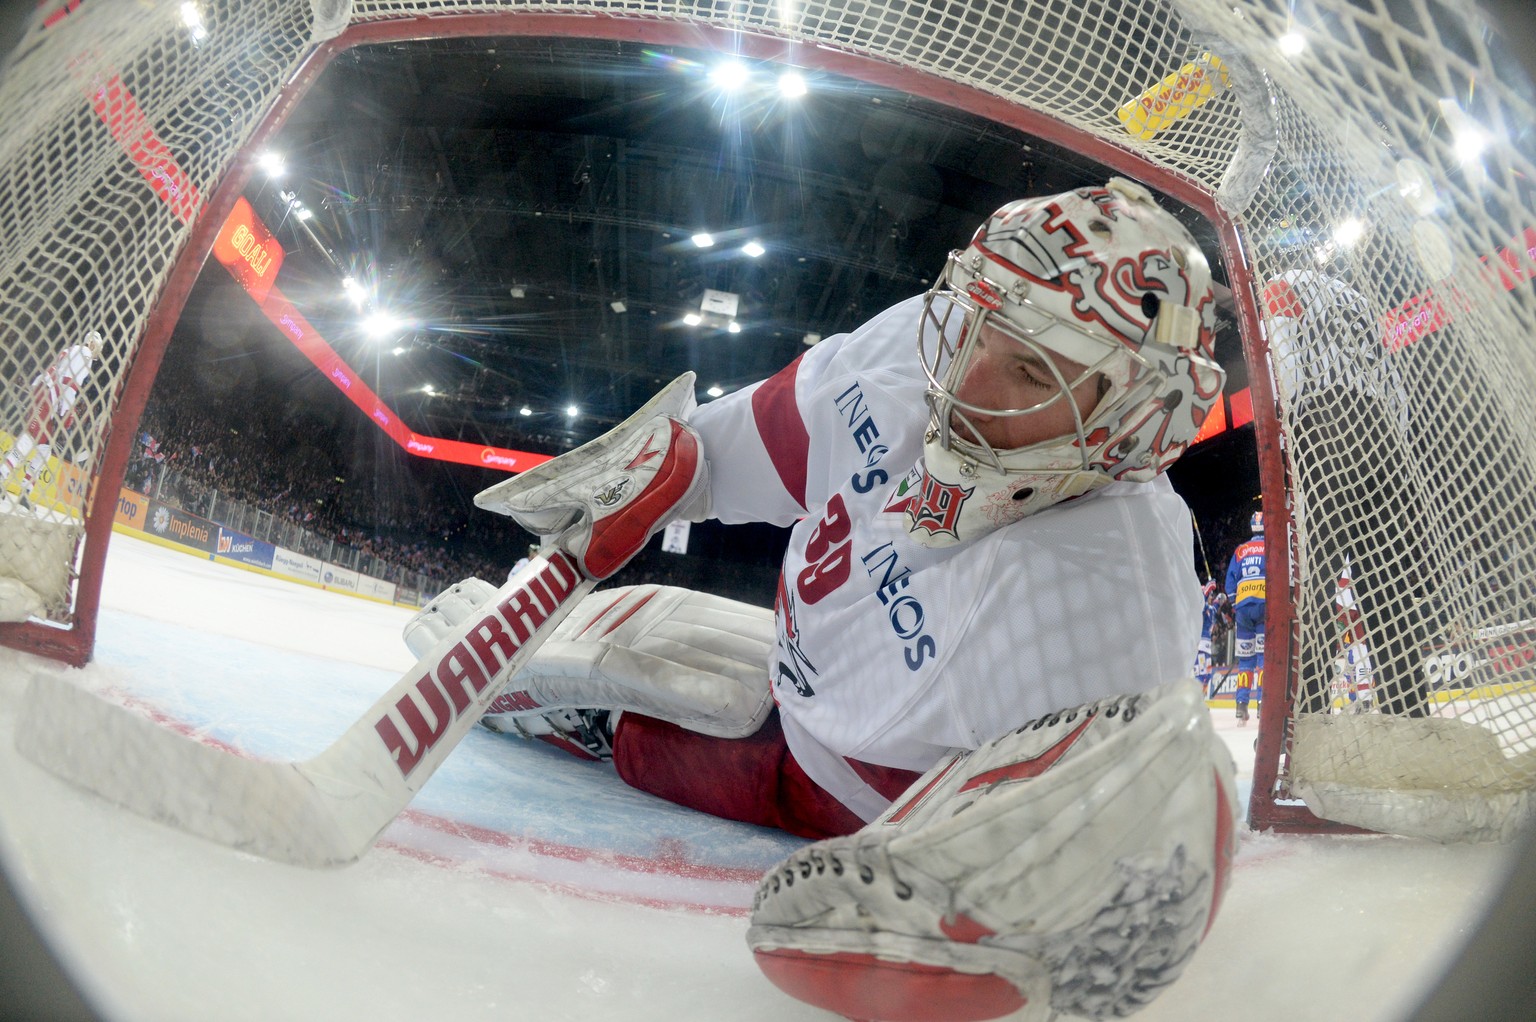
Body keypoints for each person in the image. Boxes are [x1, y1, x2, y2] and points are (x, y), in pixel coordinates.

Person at [408, 179, 1238, 1022]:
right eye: (980, 321)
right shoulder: (912, 352)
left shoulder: (1116, 591)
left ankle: (598, 726)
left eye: (1027, 366)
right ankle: (591, 710)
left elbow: (1114, 835)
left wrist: (970, 906)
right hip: (804, 674)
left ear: (1131, 416)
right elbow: (749, 450)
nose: (962, 379)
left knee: (660, 734)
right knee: (643, 659)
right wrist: (667, 469)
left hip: (859, 796)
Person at [1260, 269, 1429, 717]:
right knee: (1387, 584)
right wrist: (1397, 443)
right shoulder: (1359, 301)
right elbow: (1394, 378)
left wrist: (1293, 426)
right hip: (1385, 431)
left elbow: (1284, 353)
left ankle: (1306, 718)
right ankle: (1409, 712)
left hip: (1325, 416)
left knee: (1315, 581)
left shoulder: (1282, 281)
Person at [1, 330, 102, 511]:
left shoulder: (72, 349)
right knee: (28, 441)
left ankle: (26, 491)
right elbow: (68, 383)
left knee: (44, 451)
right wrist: (66, 413)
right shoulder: (85, 353)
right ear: (92, 344)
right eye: (97, 347)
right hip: (49, 397)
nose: (96, 352)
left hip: (48, 397)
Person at [1224, 511, 1266, 725]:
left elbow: (1230, 583)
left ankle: (1241, 707)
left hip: (1243, 609)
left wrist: (1235, 605)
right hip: (1264, 606)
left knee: (1245, 661)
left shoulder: (1240, 551)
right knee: (1263, 660)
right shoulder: (1270, 547)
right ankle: (1262, 705)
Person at [1196, 579, 1234, 698]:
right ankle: (1196, 699)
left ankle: (1201, 698)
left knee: (1207, 675)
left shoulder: (1211, 609)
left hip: (1207, 647)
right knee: (1200, 673)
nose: (1211, 597)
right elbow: (1202, 599)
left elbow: (1219, 601)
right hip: (1201, 645)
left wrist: (1221, 597)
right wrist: (1209, 587)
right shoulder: (1200, 607)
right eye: (1210, 595)